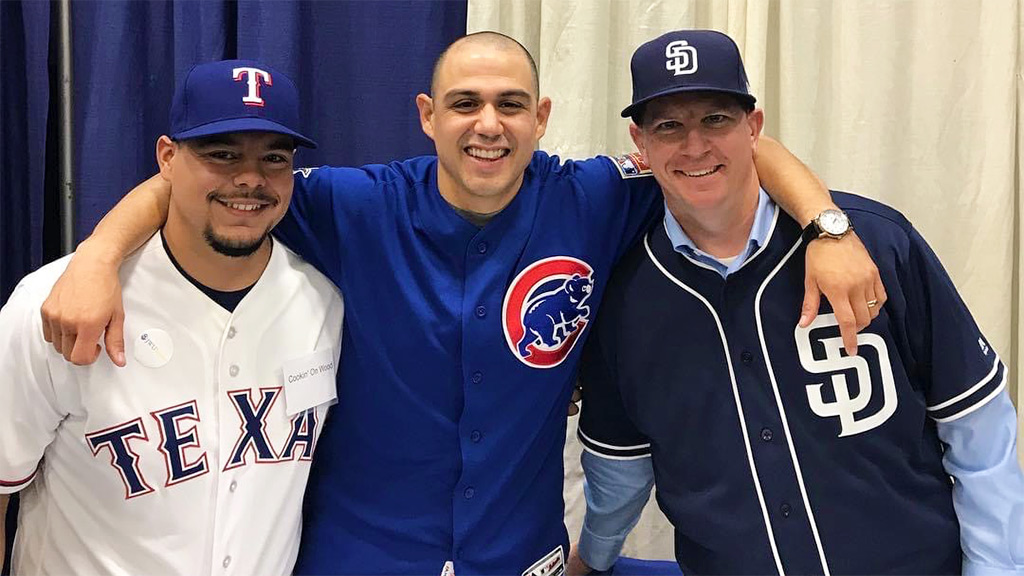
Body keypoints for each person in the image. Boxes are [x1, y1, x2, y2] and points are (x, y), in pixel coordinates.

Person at [37, 32, 885, 575]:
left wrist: (830, 227)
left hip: (519, 553)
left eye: (511, 104)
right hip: (358, 552)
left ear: (542, 116)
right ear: (427, 116)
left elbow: (734, 148)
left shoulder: (591, 196)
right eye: (467, 104)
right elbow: (208, 180)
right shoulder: (354, 204)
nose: (489, 124)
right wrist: (98, 257)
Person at [571, 30, 1024, 576]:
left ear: (754, 128)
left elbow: (979, 432)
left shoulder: (873, 244)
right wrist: (592, 561)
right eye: (669, 125)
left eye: (716, 119)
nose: (694, 146)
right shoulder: (624, 296)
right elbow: (621, 469)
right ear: (639, 143)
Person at [0, 60, 344, 574]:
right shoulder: (55, 303)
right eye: (222, 154)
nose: (250, 178)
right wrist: (98, 254)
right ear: (166, 157)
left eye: (273, 158)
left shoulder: (322, 302)